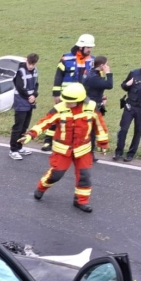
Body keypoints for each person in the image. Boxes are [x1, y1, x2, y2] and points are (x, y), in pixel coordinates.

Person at [19, 83, 108, 212]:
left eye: (69, 101)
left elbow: (100, 125)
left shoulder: (91, 108)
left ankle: (81, 201)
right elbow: (44, 122)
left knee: (84, 176)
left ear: (80, 100)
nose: (66, 103)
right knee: (56, 174)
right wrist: (30, 135)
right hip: (62, 150)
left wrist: (103, 142)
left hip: (83, 149)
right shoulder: (59, 109)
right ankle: (41, 187)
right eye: (65, 100)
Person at [46, 34, 95, 151]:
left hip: (82, 97)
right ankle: (48, 141)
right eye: (88, 47)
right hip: (66, 96)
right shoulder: (66, 58)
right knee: (57, 116)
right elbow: (58, 76)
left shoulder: (92, 60)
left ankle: (72, 143)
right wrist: (56, 94)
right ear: (81, 47)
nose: (90, 50)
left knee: (77, 120)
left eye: (91, 47)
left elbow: (96, 79)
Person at [82, 56, 113, 162]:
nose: (107, 66)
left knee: (92, 131)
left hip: (92, 104)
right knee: (90, 131)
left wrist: (101, 96)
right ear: (102, 65)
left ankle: (89, 153)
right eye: (106, 64)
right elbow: (109, 85)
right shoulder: (94, 77)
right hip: (92, 106)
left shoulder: (92, 73)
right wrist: (108, 73)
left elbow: (94, 88)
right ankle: (87, 154)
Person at [9, 53, 39, 160]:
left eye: (33, 64)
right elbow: (19, 87)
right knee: (18, 127)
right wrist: (29, 97)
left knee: (25, 126)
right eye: (29, 63)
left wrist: (34, 95)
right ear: (26, 60)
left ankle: (20, 147)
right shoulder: (20, 71)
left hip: (29, 102)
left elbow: (36, 84)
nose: (31, 66)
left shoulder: (35, 71)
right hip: (21, 102)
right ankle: (13, 150)